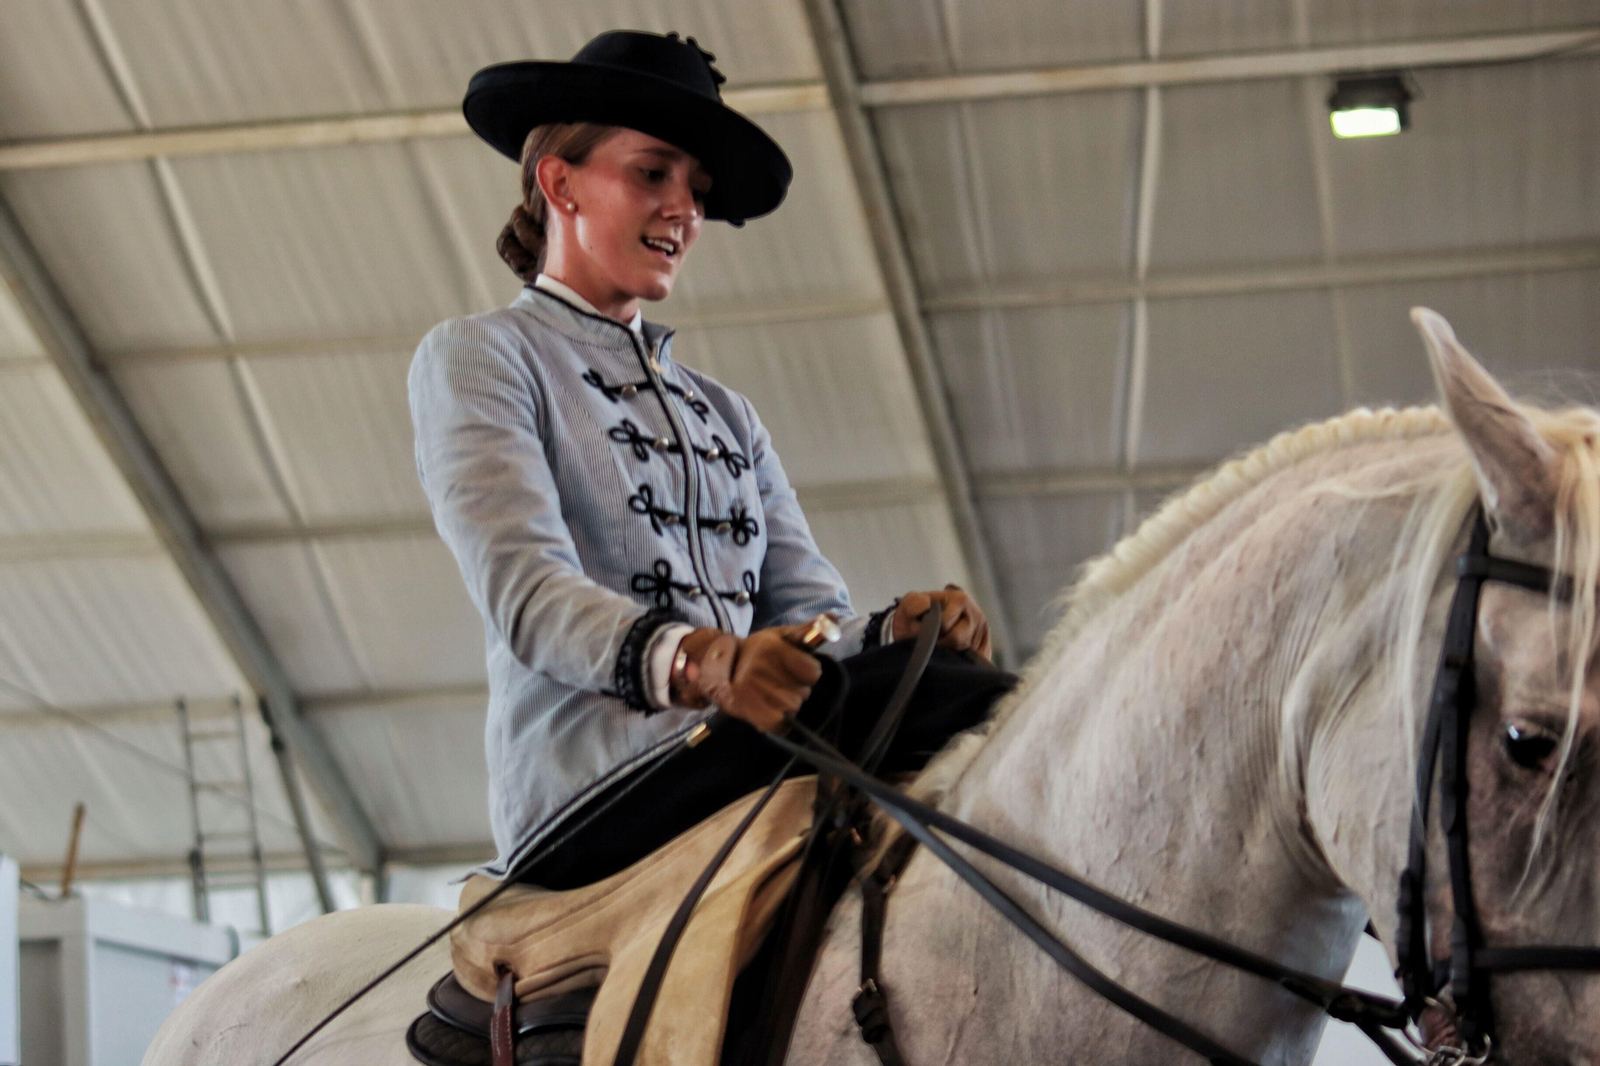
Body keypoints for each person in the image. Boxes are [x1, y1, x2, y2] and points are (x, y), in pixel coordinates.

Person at [409, 30, 1016, 890]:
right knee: (961, 707)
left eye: (694, 188)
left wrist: (894, 633)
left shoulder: (726, 413)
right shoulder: (480, 356)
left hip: (738, 753)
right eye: (653, 173)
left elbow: (810, 616)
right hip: (590, 791)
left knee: (963, 691)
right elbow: (527, 594)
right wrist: (707, 662)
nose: (684, 209)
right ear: (560, 183)